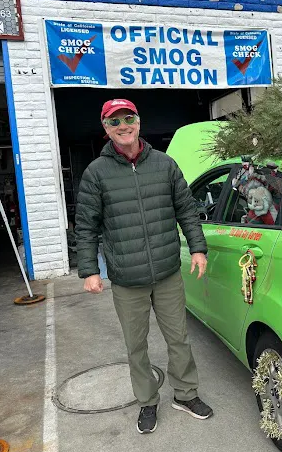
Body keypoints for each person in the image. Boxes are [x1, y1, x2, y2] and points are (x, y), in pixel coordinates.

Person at [75, 98, 212, 435]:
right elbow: (86, 225)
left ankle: (186, 394)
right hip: (127, 278)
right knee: (136, 346)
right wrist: (89, 269)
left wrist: (198, 248)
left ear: (139, 122)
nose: (123, 125)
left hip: (166, 272)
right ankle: (147, 402)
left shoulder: (165, 165)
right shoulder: (97, 173)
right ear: (105, 129)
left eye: (129, 118)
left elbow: (186, 210)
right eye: (114, 121)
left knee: (178, 339)